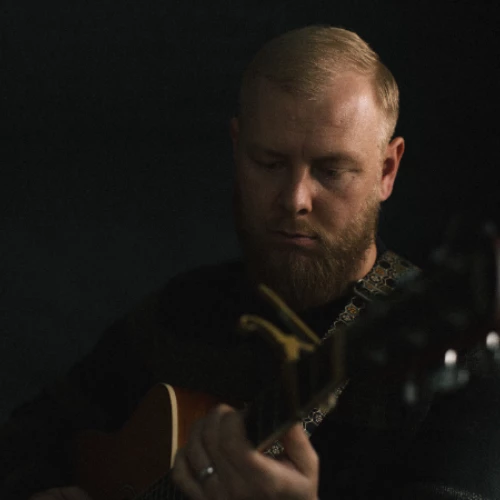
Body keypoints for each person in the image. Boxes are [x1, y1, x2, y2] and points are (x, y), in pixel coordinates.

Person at [1, 25, 495, 500]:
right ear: (237, 149)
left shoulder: (458, 360)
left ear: (387, 171)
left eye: (332, 170)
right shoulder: (183, 310)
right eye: (270, 163)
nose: (295, 199)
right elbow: (26, 435)